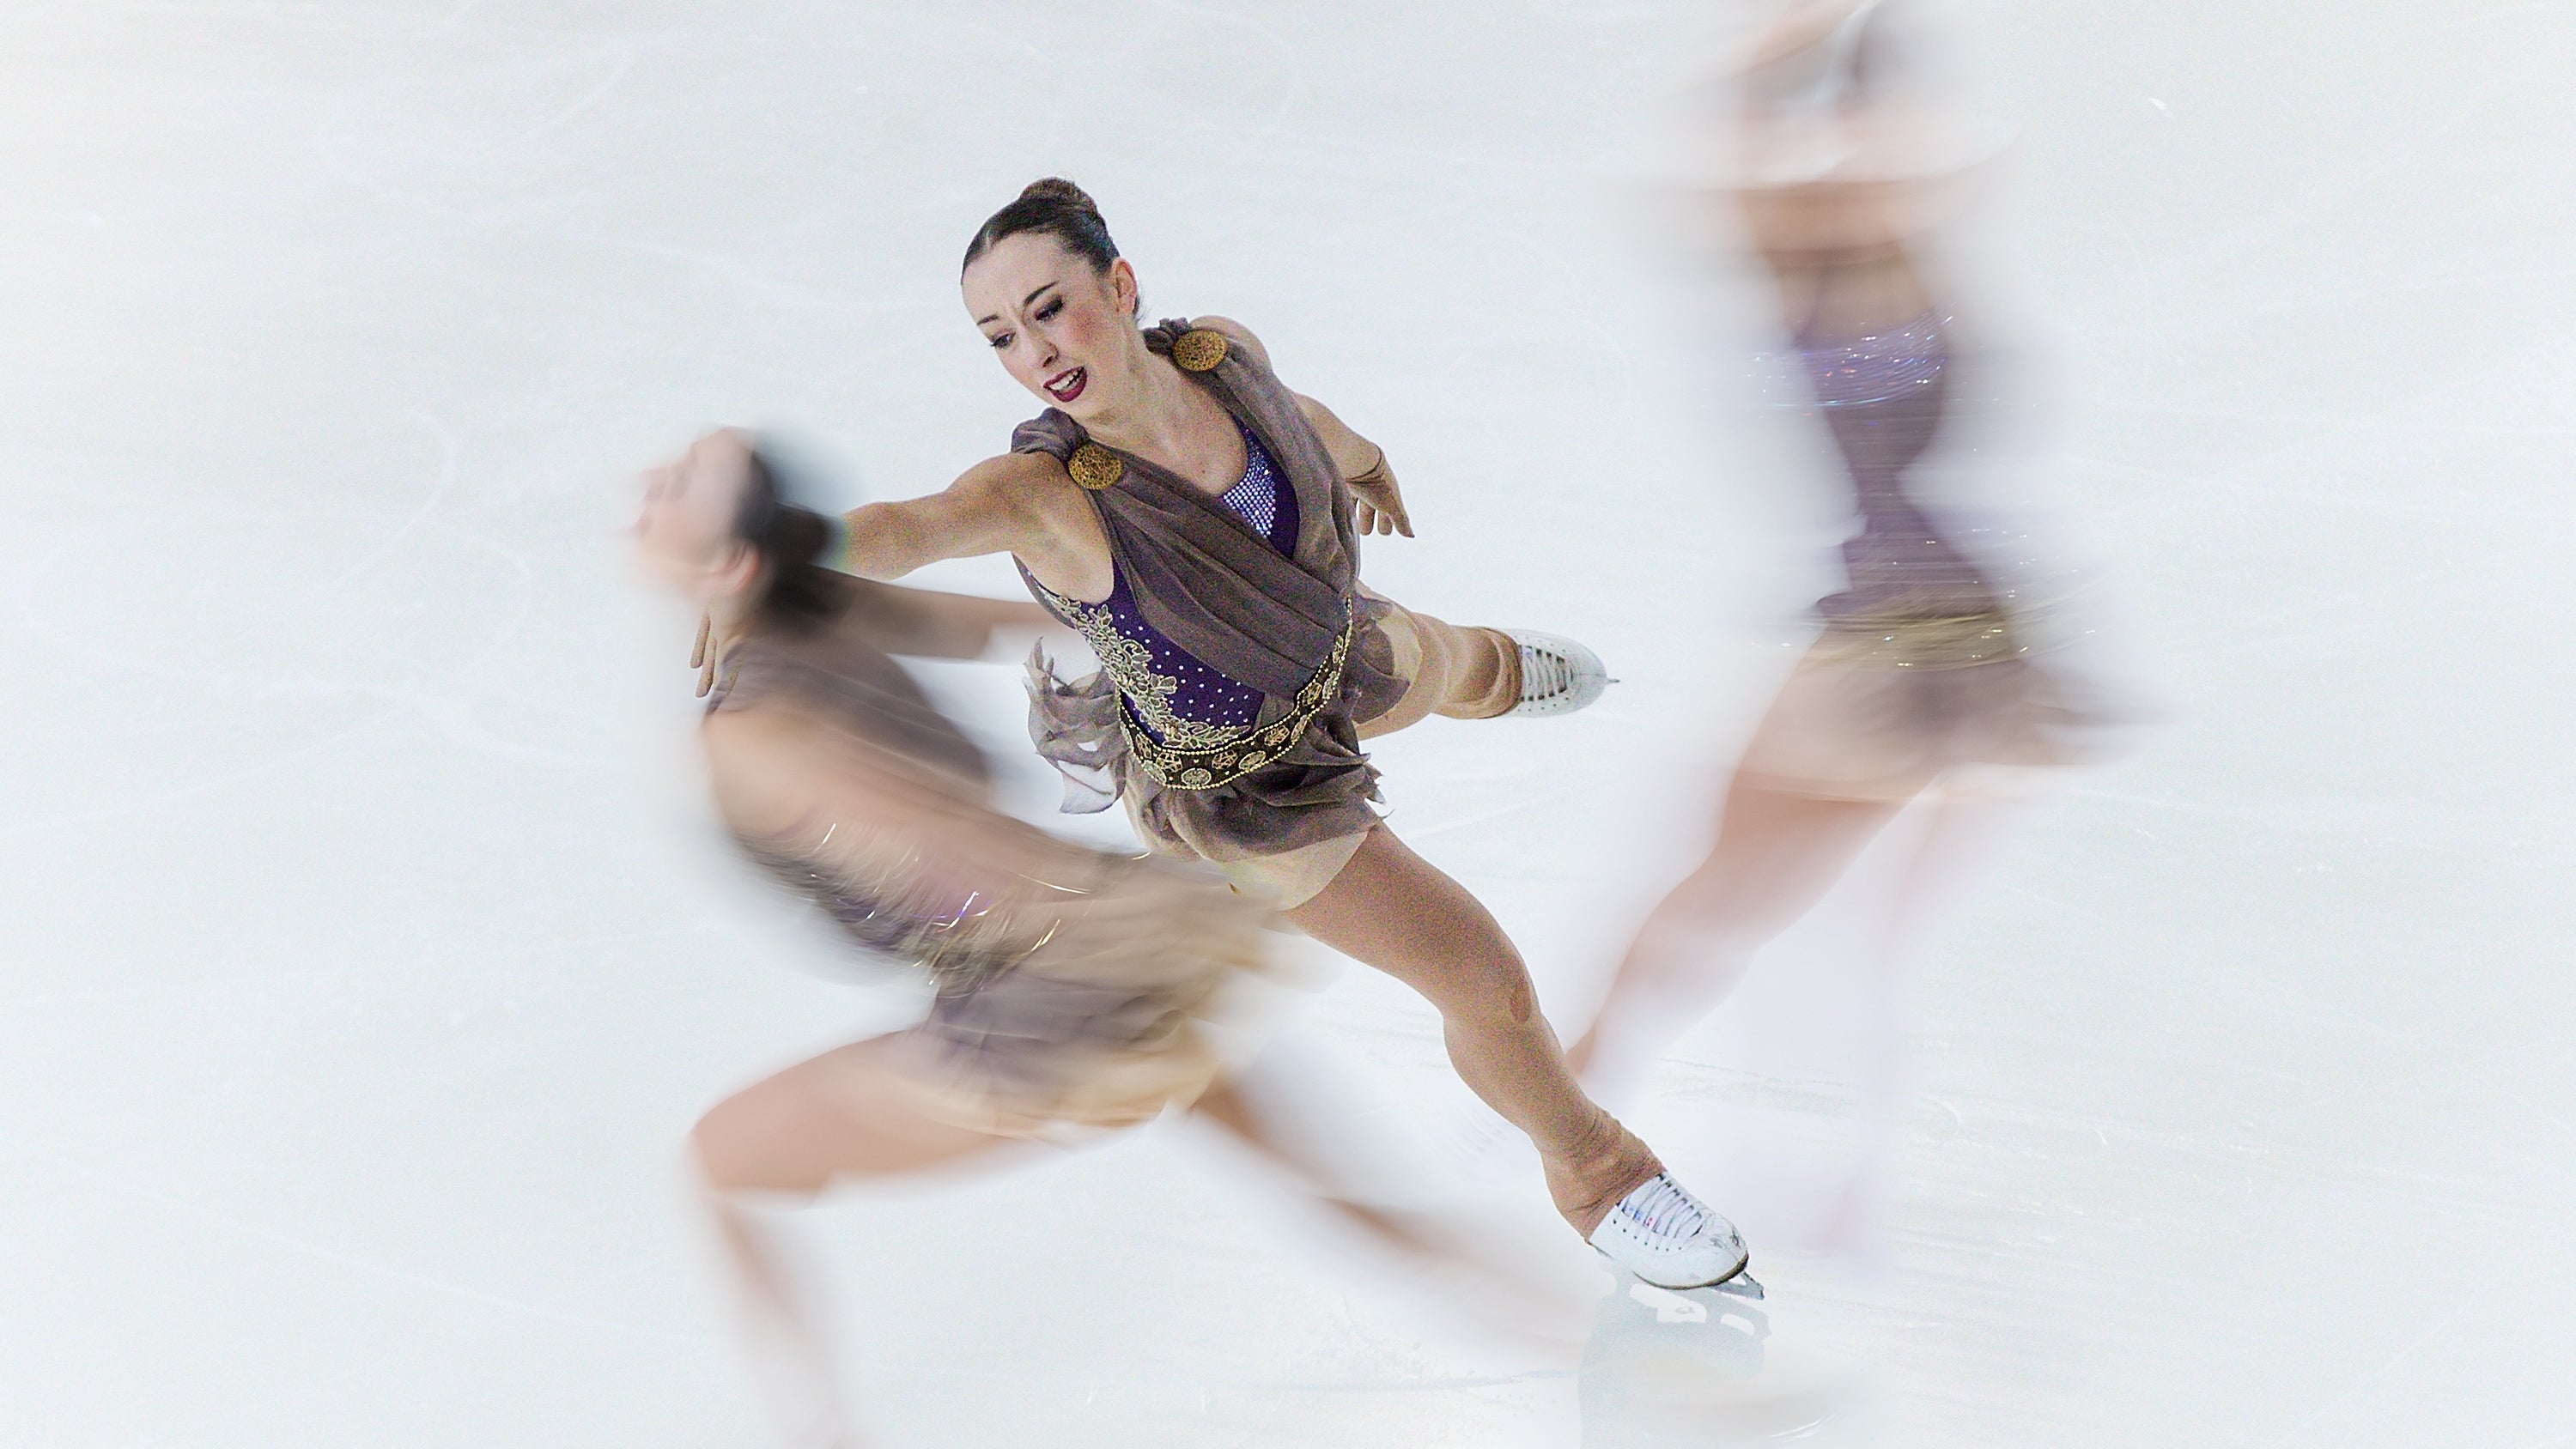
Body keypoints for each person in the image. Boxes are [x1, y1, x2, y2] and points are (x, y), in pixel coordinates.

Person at [832, 179, 1748, 1290]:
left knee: (1460, 660)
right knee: (1484, 979)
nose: (1035, 351)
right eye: (1001, 337)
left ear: (1120, 287)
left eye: (1048, 307)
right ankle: (1600, 1176)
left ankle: (1501, 674)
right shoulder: (1045, 495)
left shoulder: (1218, 357)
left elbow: (1293, 417)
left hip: (1325, 653)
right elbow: (903, 529)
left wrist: (1355, 457)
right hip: (1251, 794)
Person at [641, 428, 1537, 1447]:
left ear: (728, 561)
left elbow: (941, 843)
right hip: (1108, 942)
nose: (644, 490)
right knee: (1338, 1193)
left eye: (671, 487)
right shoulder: (826, 604)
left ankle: (819, 1432)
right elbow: (1035, 631)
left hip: (1043, 994)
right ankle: (1535, 1308)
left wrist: (1084, 928)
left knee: (721, 1158)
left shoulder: (745, 735)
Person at [1567, 0, 2123, 1204]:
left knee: (1722, 900)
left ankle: (1574, 1110)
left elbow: (1735, 146)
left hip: (1919, 633)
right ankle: (1608, 1115)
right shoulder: (1850, 221)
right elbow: (1722, 153)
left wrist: (1801, 65)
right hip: (1951, 626)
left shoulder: (1852, 220)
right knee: (1742, 903)